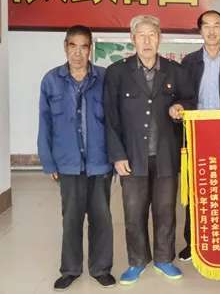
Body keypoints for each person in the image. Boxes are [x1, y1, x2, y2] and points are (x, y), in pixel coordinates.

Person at [104, 15, 196, 285]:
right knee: (133, 212)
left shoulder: (174, 71)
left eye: (152, 35)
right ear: (132, 39)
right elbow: (110, 117)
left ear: (160, 38)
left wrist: (180, 107)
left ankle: (164, 259)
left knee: (165, 211)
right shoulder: (117, 72)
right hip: (132, 156)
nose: (147, 41)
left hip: (166, 155)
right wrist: (117, 155)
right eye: (141, 35)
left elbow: (190, 100)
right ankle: (136, 261)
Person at [38, 25, 115, 291]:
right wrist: (48, 161)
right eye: (73, 46)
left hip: (100, 161)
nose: (78, 53)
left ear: (90, 48)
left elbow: (115, 121)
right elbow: (45, 123)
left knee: (101, 217)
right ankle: (70, 269)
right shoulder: (51, 80)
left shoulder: (104, 78)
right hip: (67, 162)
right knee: (71, 218)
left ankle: (101, 268)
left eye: (84, 47)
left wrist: (117, 156)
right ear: (65, 47)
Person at [177, 10, 220, 262]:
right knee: (197, 189)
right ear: (200, 31)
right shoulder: (190, 62)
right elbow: (183, 97)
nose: (212, 30)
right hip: (197, 134)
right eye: (206, 26)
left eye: (216, 25)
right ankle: (193, 242)